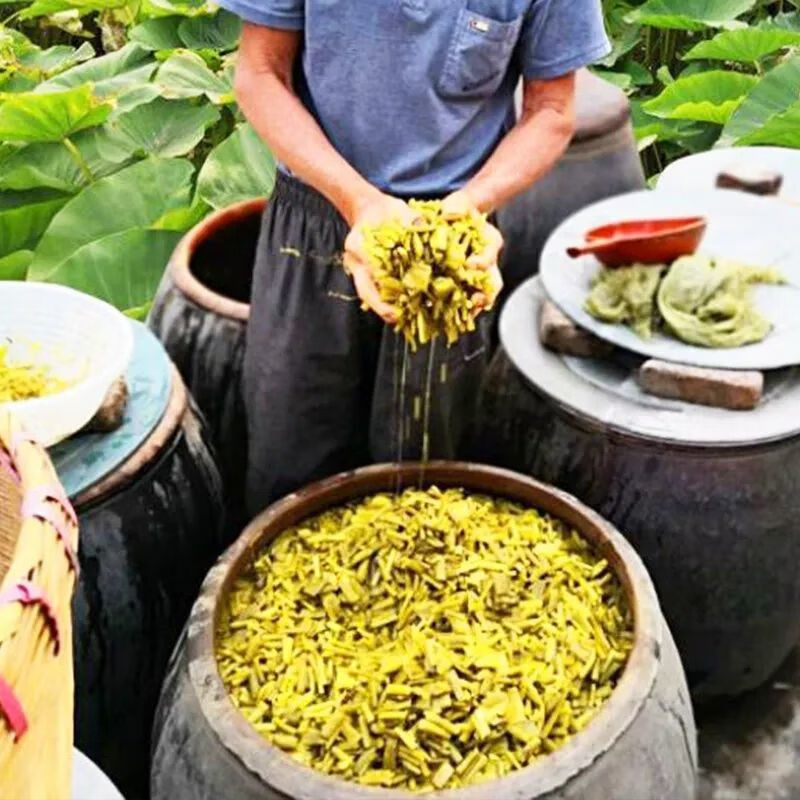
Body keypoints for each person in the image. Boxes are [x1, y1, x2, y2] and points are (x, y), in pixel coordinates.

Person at [218, 0, 610, 514]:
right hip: (316, 220)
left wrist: (470, 209)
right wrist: (359, 203)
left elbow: (551, 111)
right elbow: (260, 75)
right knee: (292, 457)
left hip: (452, 235)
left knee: (428, 470)